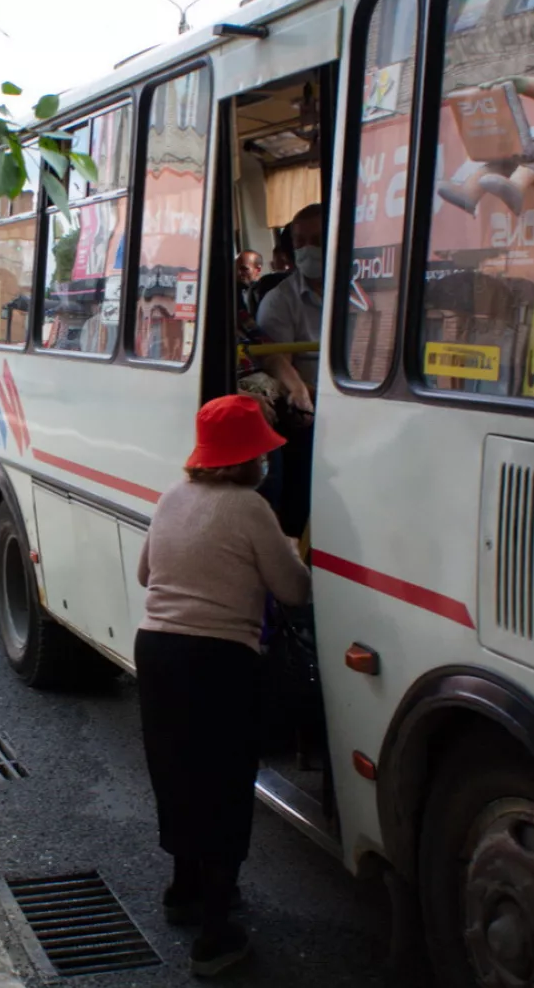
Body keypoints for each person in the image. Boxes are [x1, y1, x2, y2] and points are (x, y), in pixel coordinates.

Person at [135, 395, 310, 978]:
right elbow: (292, 591)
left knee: (177, 772)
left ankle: (182, 889)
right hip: (219, 661)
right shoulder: (251, 507)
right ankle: (216, 933)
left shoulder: (171, 497)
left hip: (157, 651)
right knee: (224, 784)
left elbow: (145, 573)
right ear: (251, 459)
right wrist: (287, 553)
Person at [254, 203, 326, 537]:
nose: (307, 249)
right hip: (311, 411)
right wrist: (302, 391)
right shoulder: (279, 301)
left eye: (316, 239)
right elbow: (277, 362)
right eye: (299, 242)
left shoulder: (364, 291)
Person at [235, 250, 264, 321]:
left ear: (258, 270)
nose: (238, 273)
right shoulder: (232, 293)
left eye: (244, 269)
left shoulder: (266, 292)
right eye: (235, 268)